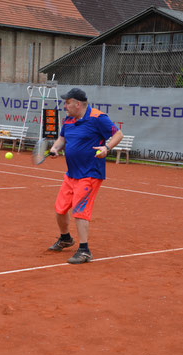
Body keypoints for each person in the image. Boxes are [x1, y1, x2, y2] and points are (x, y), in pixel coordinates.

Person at [48, 88, 123, 264]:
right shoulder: (68, 119)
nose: (64, 106)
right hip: (71, 174)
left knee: (80, 211)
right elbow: (62, 138)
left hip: (90, 173)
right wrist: (55, 148)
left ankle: (84, 251)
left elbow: (118, 134)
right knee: (60, 210)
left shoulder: (98, 117)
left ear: (78, 104)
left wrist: (107, 148)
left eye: (67, 102)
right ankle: (66, 238)